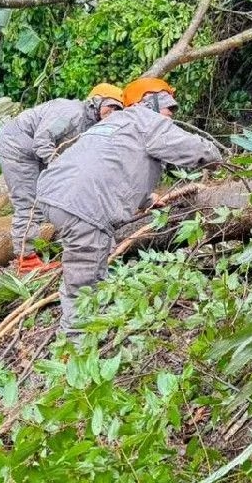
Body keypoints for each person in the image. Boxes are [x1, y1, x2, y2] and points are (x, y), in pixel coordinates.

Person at [35, 77, 223, 332]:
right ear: (151, 102)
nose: (172, 114)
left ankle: (92, 319)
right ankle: (76, 345)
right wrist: (218, 156)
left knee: (92, 259)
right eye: (169, 107)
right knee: (84, 281)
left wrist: (147, 199)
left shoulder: (116, 122)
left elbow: (114, 164)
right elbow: (190, 149)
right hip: (82, 204)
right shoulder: (146, 120)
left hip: (55, 193)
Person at [0, 83, 125, 273]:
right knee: (29, 203)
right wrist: (60, 166)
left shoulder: (92, 124)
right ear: (96, 101)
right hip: (17, 149)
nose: (112, 112)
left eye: (117, 109)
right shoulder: (72, 112)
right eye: (110, 106)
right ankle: (26, 261)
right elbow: (42, 142)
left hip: (34, 152)